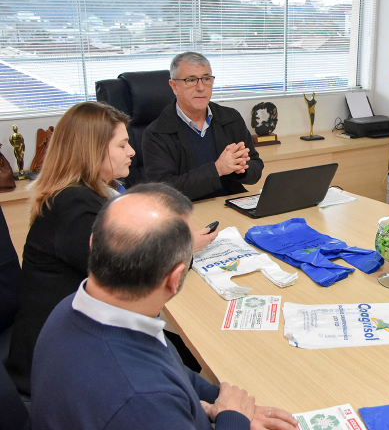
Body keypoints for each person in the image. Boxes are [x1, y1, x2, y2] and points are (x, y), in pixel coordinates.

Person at [31, 183, 298, 430]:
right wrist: (233, 418)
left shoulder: (75, 307)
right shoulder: (140, 397)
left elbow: (171, 367)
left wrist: (222, 401)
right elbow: (149, 398)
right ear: (174, 279)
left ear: (93, 245)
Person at [6, 102, 218, 396]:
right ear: (92, 151)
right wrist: (183, 247)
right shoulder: (74, 207)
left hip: (83, 339)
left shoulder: (95, 193)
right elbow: (134, 275)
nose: (132, 152)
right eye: (122, 145)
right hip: (59, 364)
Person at [144, 51, 264, 201]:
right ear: (174, 86)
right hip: (189, 210)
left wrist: (240, 168)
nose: (201, 87)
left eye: (206, 79)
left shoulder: (230, 118)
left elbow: (256, 168)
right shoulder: (157, 133)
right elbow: (163, 191)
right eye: (191, 80)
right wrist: (217, 169)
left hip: (231, 204)